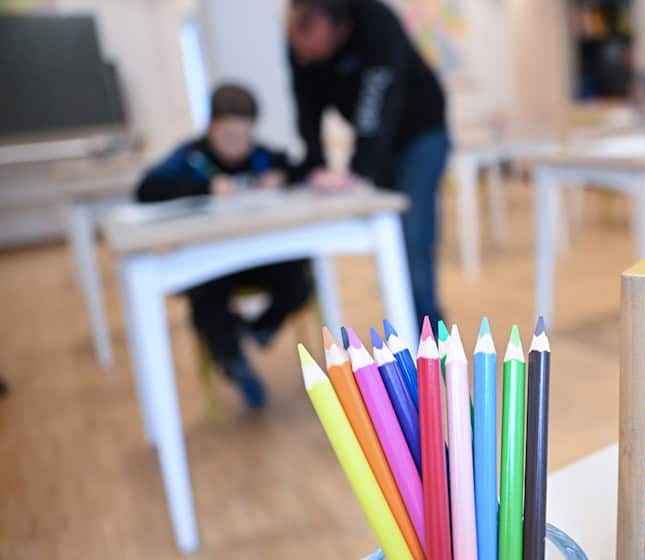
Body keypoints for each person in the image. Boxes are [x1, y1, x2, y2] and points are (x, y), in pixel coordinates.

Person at [136, 84, 312, 410]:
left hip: (260, 260)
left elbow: (300, 167)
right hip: (209, 265)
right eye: (228, 136)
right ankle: (233, 362)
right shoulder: (191, 158)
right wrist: (205, 186)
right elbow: (147, 189)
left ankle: (258, 329)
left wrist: (281, 177)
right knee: (206, 300)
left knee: (302, 273)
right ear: (211, 126)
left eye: (244, 136)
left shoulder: (260, 156)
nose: (237, 146)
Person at [286, 0, 449, 328]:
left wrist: (360, 170)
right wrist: (314, 163)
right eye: (296, 49)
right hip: (384, 145)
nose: (303, 58)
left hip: (422, 131)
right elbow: (306, 104)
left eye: (310, 50)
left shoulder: (376, 21)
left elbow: (378, 98)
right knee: (394, 245)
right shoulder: (299, 34)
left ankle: (432, 351)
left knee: (413, 237)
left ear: (338, 28)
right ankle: (407, 334)